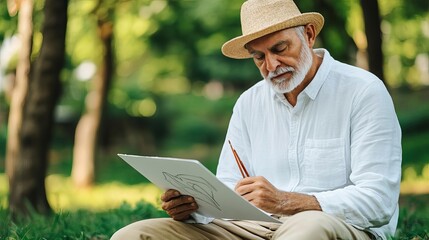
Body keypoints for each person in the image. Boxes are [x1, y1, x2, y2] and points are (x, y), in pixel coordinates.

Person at [111, 0, 402, 239]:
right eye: (259, 57)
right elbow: (228, 186)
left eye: (280, 49)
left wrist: (287, 201)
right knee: (133, 235)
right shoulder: (249, 103)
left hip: (338, 226)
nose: (271, 66)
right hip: (254, 227)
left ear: (309, 34)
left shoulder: (363, 91)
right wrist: (194, 206)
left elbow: (378, 201)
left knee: (306, 228)